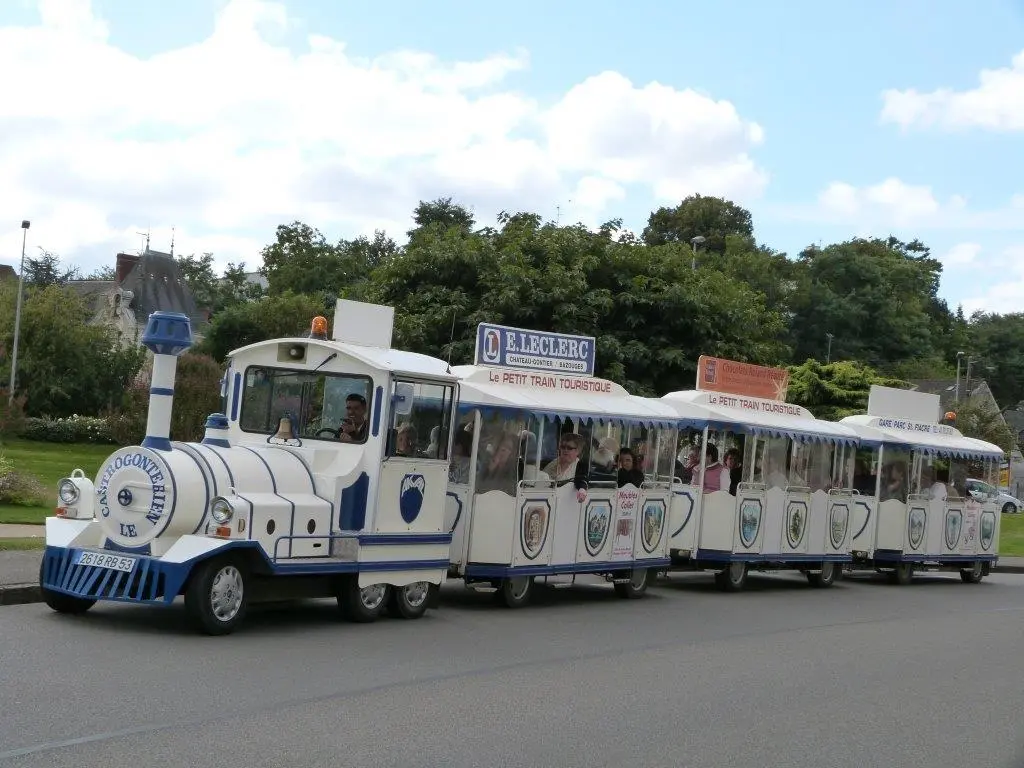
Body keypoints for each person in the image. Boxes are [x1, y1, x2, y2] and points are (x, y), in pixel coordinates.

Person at [542, 432, 589, 502]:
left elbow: (582, 479)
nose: (565, 450)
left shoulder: (580, 465)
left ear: (578, 451)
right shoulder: (553, 464)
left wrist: (582, 489)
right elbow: (543, 479)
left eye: (569, 448)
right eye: (563, 447)